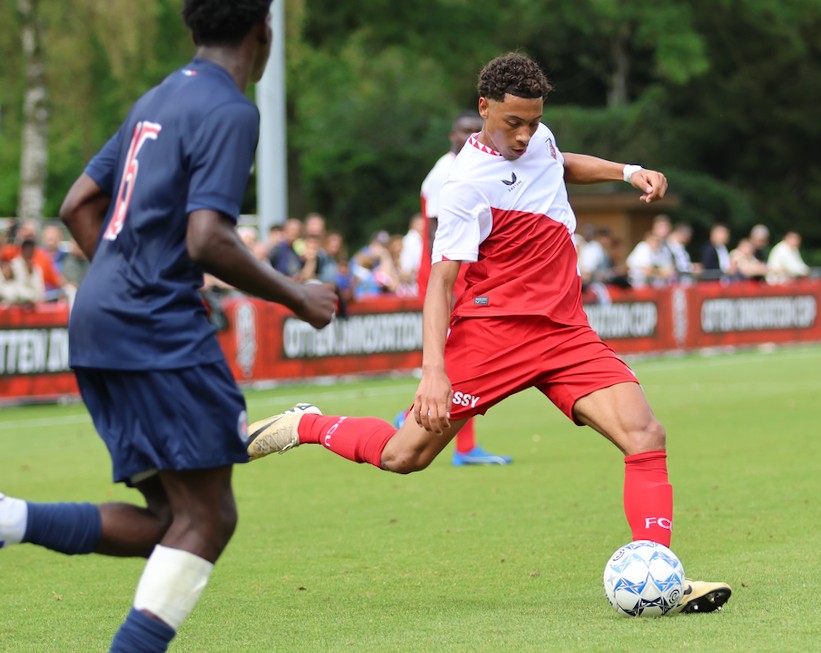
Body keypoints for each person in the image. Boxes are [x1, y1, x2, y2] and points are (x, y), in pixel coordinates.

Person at [246, 52, 731, 614]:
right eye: (513, 124)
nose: (525, 135)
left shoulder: (538, 137)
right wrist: (433, 371)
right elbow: (439, 285)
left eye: (533, 121)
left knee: (645, 435)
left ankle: (657, 576)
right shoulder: (463, 185)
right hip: (492, 333)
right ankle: (306, 423)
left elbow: (559, 161)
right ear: (484, 109)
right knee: (405, 457)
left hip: (564, 333)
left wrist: (626, 172)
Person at [0, 5, 337, 653]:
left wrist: (125, 280)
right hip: (154, 327)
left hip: (97, 320)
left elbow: (77, 206)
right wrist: (299, 295)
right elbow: (207, 237)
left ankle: (10, 516)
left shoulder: (158, 96)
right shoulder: (231, 109)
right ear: (262, 33)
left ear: (193, 29)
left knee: (171, 521)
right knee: (209, 518)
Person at [413, 110, 512, 466]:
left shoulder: (471, 167)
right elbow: (435, 234)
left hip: (459, 272)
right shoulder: (447, 172)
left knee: (467, 355)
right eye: (465, 131)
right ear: (452, 135)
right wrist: (443, 283)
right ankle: (463, 446)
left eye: (477, 130)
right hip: (446, 275)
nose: (472, 135)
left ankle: (412, 420)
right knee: (464, 354)